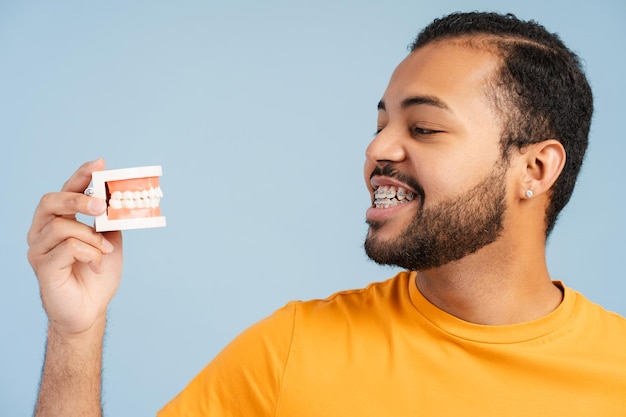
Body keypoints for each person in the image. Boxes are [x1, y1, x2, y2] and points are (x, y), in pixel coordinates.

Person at [27, 11, 626, 417]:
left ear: (536, 170)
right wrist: (76, 333)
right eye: (379, 125)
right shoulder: (292, 349)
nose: (377, 151)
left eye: (423, 127)